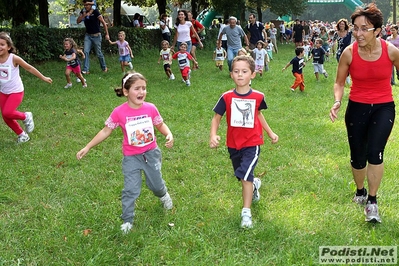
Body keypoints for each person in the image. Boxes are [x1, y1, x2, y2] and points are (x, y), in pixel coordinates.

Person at [76, 72, 174, 234]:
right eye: (137, 88)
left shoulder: (151, 108)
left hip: (151, 154)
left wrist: (168, 134)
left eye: (144, 88)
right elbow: (106, 130)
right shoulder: (119, 112)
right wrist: (88, 146)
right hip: (131, 158)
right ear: (126, 91)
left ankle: (163, 195)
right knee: (130, 189)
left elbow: (160, 124)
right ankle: (127, 219)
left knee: (155, 185)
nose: (142, 92)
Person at [329, 3, 399, 223]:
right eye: (355, 28)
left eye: (364, 29)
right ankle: (360, 191)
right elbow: (339, 82)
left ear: (377, 30)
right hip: (357, 107)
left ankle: (372, 201)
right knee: (358, 157)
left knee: (375, 152)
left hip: (383, 107)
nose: (358, 33)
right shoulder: (349, 54)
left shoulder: (391, 51)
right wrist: (337, 101)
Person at [209, 55, 279, 228]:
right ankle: (254, 185)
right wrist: (213, 134)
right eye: (236, 71)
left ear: (252, 75)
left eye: (244, 71)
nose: (240, 75)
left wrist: (270, 133)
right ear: (231, 75)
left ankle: (246, 213)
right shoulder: (226, 97)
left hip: (253, 143)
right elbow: (217, 117)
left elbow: (259, 115)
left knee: (245, 174)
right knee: (243, 176)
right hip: (233, 144)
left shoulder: (258, 96)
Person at [0, 32, 52, 143]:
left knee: (7, 112)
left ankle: (26, 116)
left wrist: (43, 77)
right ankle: (22, 135)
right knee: (6, 117)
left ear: (9, 47)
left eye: (2, 44)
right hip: (3, 92)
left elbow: (29, 68)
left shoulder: (14, 58)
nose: (0, 47)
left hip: (16, 91)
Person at [77, 0, 109, 74]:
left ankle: (104, 67)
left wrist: (107, 34)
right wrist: (83, 16)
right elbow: (78, 21)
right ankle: (86, 70)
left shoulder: (96, 12)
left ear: (91, 5)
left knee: (98, 53)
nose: (86, 6)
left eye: (87, 5)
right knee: (86, 51)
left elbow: (103, 23)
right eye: (85, 5)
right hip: (88, 35)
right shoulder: (83, 11)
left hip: (97, 36)